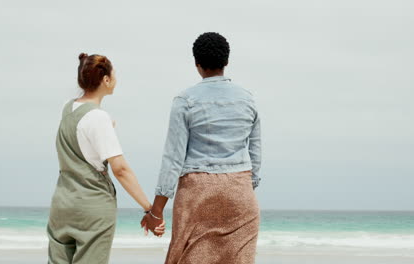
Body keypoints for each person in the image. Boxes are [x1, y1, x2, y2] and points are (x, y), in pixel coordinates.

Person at [141, 32, 262, 264]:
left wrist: (156, 212)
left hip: (197, 194)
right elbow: (255, 153)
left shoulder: (185, 100)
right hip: (240, 193)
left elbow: (173, 159)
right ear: (226, 62)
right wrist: (245, 186)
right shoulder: (248, 99)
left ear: (197, 63)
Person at [47, 53, 165, 264]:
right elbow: (121, 170)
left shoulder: (67, 108)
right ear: (106, 79)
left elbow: (77, 141)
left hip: (62, 204)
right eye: (114, 74)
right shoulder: (98, 118)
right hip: (91, 207)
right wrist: (149, 209)